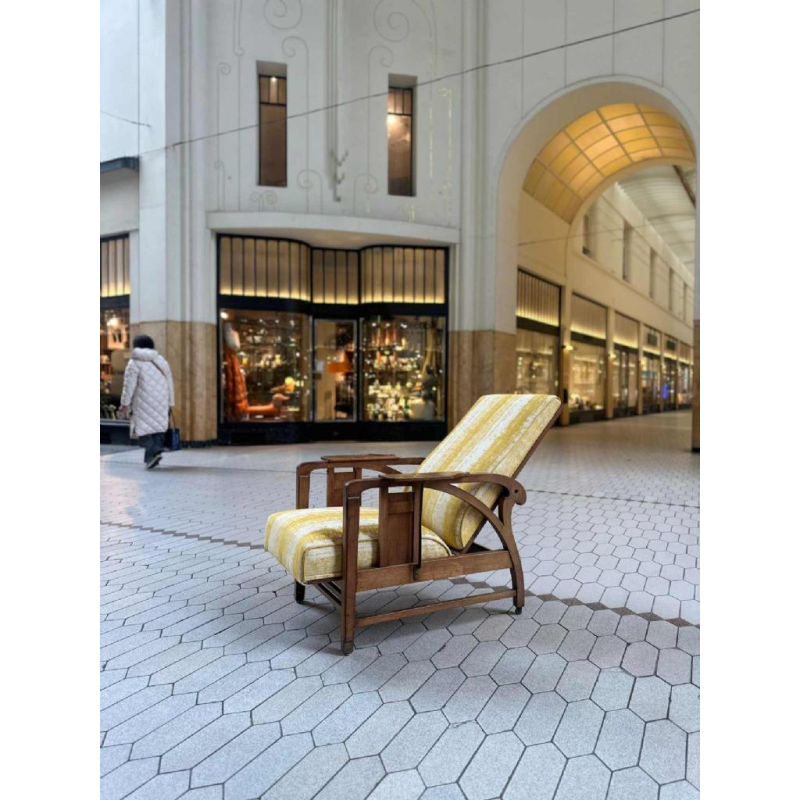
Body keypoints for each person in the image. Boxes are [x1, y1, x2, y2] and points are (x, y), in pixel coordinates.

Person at [119, 335, 175, 469]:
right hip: (161, 401)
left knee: (143, 430)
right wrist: (170, 401)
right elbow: (169, 382)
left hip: (143, 402)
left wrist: (124, 403)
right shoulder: (161, 360)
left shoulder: (134, 362)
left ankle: (154, 453)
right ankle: (153, 456)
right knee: (158, 427)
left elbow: (129, 385)